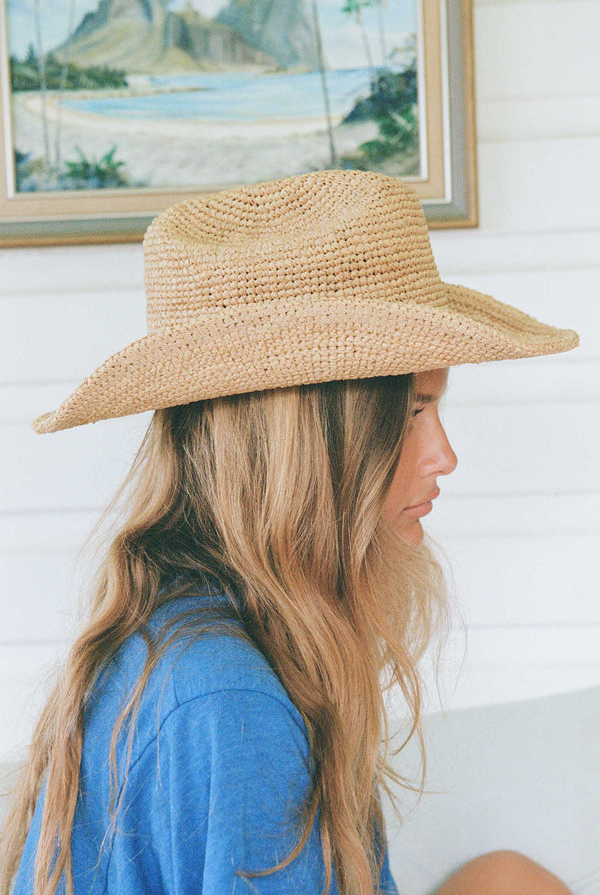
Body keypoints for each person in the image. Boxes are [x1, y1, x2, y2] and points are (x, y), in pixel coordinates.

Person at [0, 170, 578, 895]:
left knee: (506, 878)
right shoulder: (230, 699)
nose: (445, 457)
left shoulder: (202, 632)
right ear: (306, 442)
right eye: (411, 413)